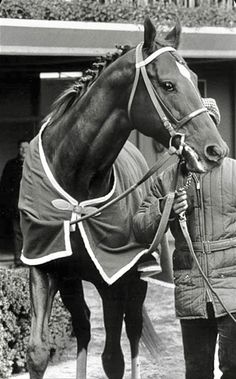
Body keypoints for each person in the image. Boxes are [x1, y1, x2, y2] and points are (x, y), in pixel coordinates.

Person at [133, 101, 236, 379]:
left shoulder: (234, 173)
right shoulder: (168, 179)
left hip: (233, 295)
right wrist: (164, 208)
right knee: (197, 372)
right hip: (192, 296)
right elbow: (140, 228)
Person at [0, 139, 29, 267]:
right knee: (17, 233)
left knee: (30, 233)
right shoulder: (11, 165)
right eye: (21, 148)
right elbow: (4, 186)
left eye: (26, 148)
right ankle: (18, 260)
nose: (24, 150)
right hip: (16, 205)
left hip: (31, 205)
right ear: (18, 149)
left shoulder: (35, 164)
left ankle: (30, 260)